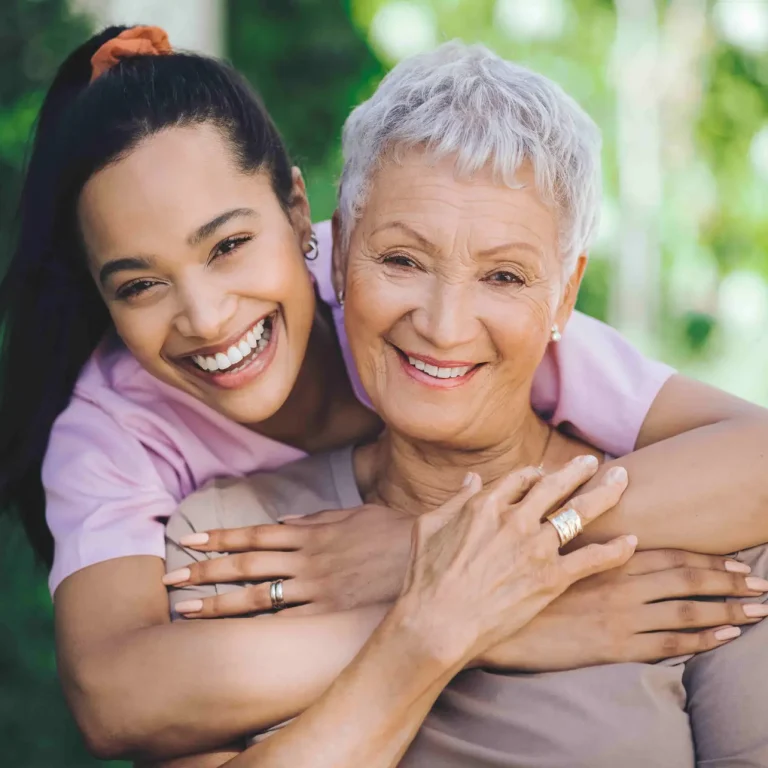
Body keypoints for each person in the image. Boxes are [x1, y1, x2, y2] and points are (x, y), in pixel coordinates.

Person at [1, 26, 766, 762]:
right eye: (139, 284)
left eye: (229, 245)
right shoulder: (121, 435)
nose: (206, 317)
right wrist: (485, 614)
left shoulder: (440, 266)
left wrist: (419, 542)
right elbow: (117, 699)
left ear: (306, 222)